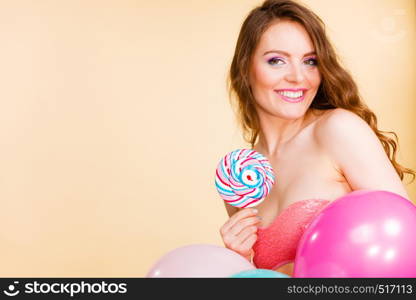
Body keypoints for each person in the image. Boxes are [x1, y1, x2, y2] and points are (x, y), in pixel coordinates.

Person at [219, 0, 415, 276]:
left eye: (310, 61)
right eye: (276, 60)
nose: (298, 77)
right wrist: (240, 259)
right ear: (245, 69)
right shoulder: (242, 179)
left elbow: (405, 241)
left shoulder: (337, 130)